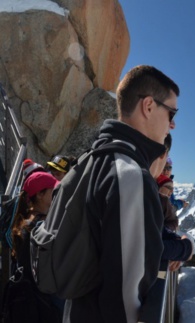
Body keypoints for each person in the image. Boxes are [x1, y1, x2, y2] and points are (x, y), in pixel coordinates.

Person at [63, 65, 178, 323]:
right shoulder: (131, 176)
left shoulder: (93, 160)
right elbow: (124, 297)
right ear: (149, 106)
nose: (173, 123)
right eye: (171, 111)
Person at [2, 171, 61, 322]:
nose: (56, 195)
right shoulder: (41, 225)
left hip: (29, 296)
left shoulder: (24, 223)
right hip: (44, 298)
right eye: (52, 191)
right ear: (40, 195)